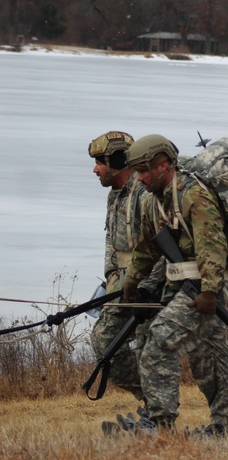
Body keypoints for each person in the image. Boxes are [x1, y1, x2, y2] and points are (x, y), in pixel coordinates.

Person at [117, 134, 228, 437]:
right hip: (180, 285)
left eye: (145, 171)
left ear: (163, 165)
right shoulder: (154, 201)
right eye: (137, 172)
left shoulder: (193, 195)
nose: (140, 178)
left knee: (159, 342)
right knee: (208, 357)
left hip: (200, 287)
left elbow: (212, 245)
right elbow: (147, 247)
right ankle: (227, 426)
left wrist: (210, 291)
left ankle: (160, 424)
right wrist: (132, 281)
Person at [88, 131, 156, 418]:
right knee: (103, 341)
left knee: (147, 348)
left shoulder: (144, 194)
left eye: (100, 162)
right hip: (120, 285)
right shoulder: (114, 196)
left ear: (118, 161)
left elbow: (158, 244)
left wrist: (144, 284)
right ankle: (150, 398)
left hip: (147, 286)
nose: (95, 169)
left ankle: (158, 410)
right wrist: (111, 274)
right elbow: (110, 242)